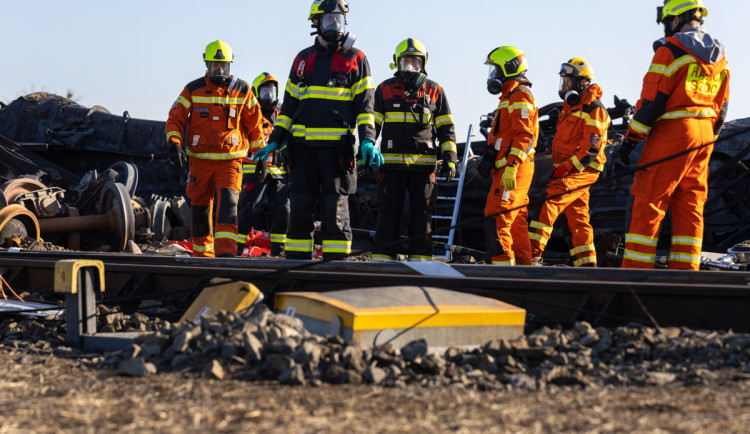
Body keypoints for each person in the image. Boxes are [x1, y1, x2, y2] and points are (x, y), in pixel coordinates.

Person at [253, 0, 378, 261]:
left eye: (339, 20)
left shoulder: (356, 59)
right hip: (302, 152)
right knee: (299, 211)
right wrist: (275, 140)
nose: (335, 25)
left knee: (335, 212)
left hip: (337, 154)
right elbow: (287, 107)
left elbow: (365, 107)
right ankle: (296, 270)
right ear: (315, 23)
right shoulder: (302, 60)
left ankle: (336, 271)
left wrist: (367, 140)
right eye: (329, 20)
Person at [619, 0, 729, 270]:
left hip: (674, 131)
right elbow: (723, 107)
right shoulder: (720, 57)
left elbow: (652, 103)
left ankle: (635, 274)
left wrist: (630, 140)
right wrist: (707, 138)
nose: (667, 27)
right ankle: (686, 275)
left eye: (667, 21)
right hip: (705, 134)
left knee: (650, 198)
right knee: (690, 203)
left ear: (676, 18)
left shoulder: (671, 50)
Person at [166, 40, 265, 257]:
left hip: (230, 162)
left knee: (228, 208)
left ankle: (225, 257)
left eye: (224, 66)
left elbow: (256, 126)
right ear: (207, 65)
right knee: (200, 211)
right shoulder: (193, 89)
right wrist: (174, 142)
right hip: (199, 162)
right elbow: (175, 117)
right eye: (215, 66)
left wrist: (261, 157)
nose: (220, 70)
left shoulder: (243, 90)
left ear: (230, 65)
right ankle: (203, 258)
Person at [370, 38, 457, 262]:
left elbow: (446, 128)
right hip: (391, 167)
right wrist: (364, 154)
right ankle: (382, 259)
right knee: (388, 214)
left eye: (415, 63)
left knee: (422, 215)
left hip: (423, 169)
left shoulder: (435, 90)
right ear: (396, 63)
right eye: (405, 62)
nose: (410, 67)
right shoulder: (384, 89)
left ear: (423, 64)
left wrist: (450, 158)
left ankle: (421, 261)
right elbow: (372, 127)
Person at [528, 58, 611, 267]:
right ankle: (587, 265)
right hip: (569, 170)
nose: (564, 88)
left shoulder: (595, 109)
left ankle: (530, 256)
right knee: (577, 218)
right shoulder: (571, 108)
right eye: (563, 83)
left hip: (581, 171)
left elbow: (591, 149)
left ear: (581, 83)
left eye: (568, 82)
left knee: (549, 201)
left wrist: (566, 168)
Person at [476, 46, 538, 266]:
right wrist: (490, 155)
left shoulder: (519, 94)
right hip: (508, 168)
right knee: (516, 220)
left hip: (514, 169)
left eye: (495, 70)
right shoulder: (509, 96)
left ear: (508, 69)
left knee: (496, 218)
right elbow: (506, 134)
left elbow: (525, 134)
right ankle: (523, 269)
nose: (492, 76)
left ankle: (503, 272)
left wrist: (511, 164)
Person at [238, 72, 290, 256]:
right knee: (249, 209)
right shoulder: (250, 113)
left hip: (278, 170)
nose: (269, 96)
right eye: (265, 91)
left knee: (283, 211)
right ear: (256, 92)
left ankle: (279, 252)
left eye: (272, 91)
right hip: (254, 168)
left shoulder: (282, 114)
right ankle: (236, 248)